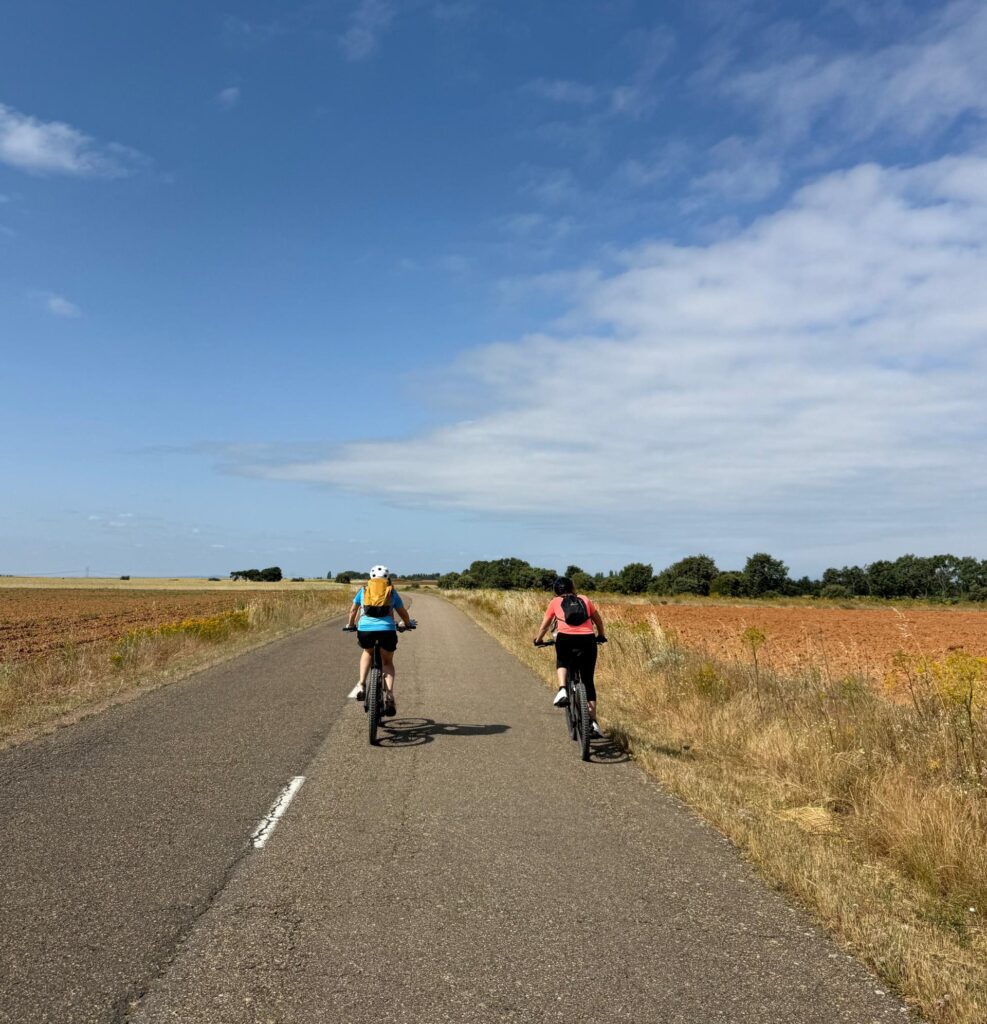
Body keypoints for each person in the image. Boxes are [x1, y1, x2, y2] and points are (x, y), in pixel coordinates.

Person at [534, 576, 607, 738]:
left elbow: (545, 625)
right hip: (588, 640)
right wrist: (601, 635)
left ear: (556, 590)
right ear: (572, 588)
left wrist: (538, 640)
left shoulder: (555, 602)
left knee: (562, 660)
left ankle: (562, 690)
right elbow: (598, 621)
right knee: (588, 680)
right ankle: (593, 723)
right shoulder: (584, 599)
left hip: (565, 638)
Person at [344, 565, 414, 716]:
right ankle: (389, 695)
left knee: (367, 652)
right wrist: (407, 624)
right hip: (387, 631)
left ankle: (362, 685)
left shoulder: (363, 590)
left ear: (371, 577)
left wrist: (350, 625)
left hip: (365, 631)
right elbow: (402, 613)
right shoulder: (391, 592)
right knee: (387, 662)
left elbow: (353, 610)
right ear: (387, 578)